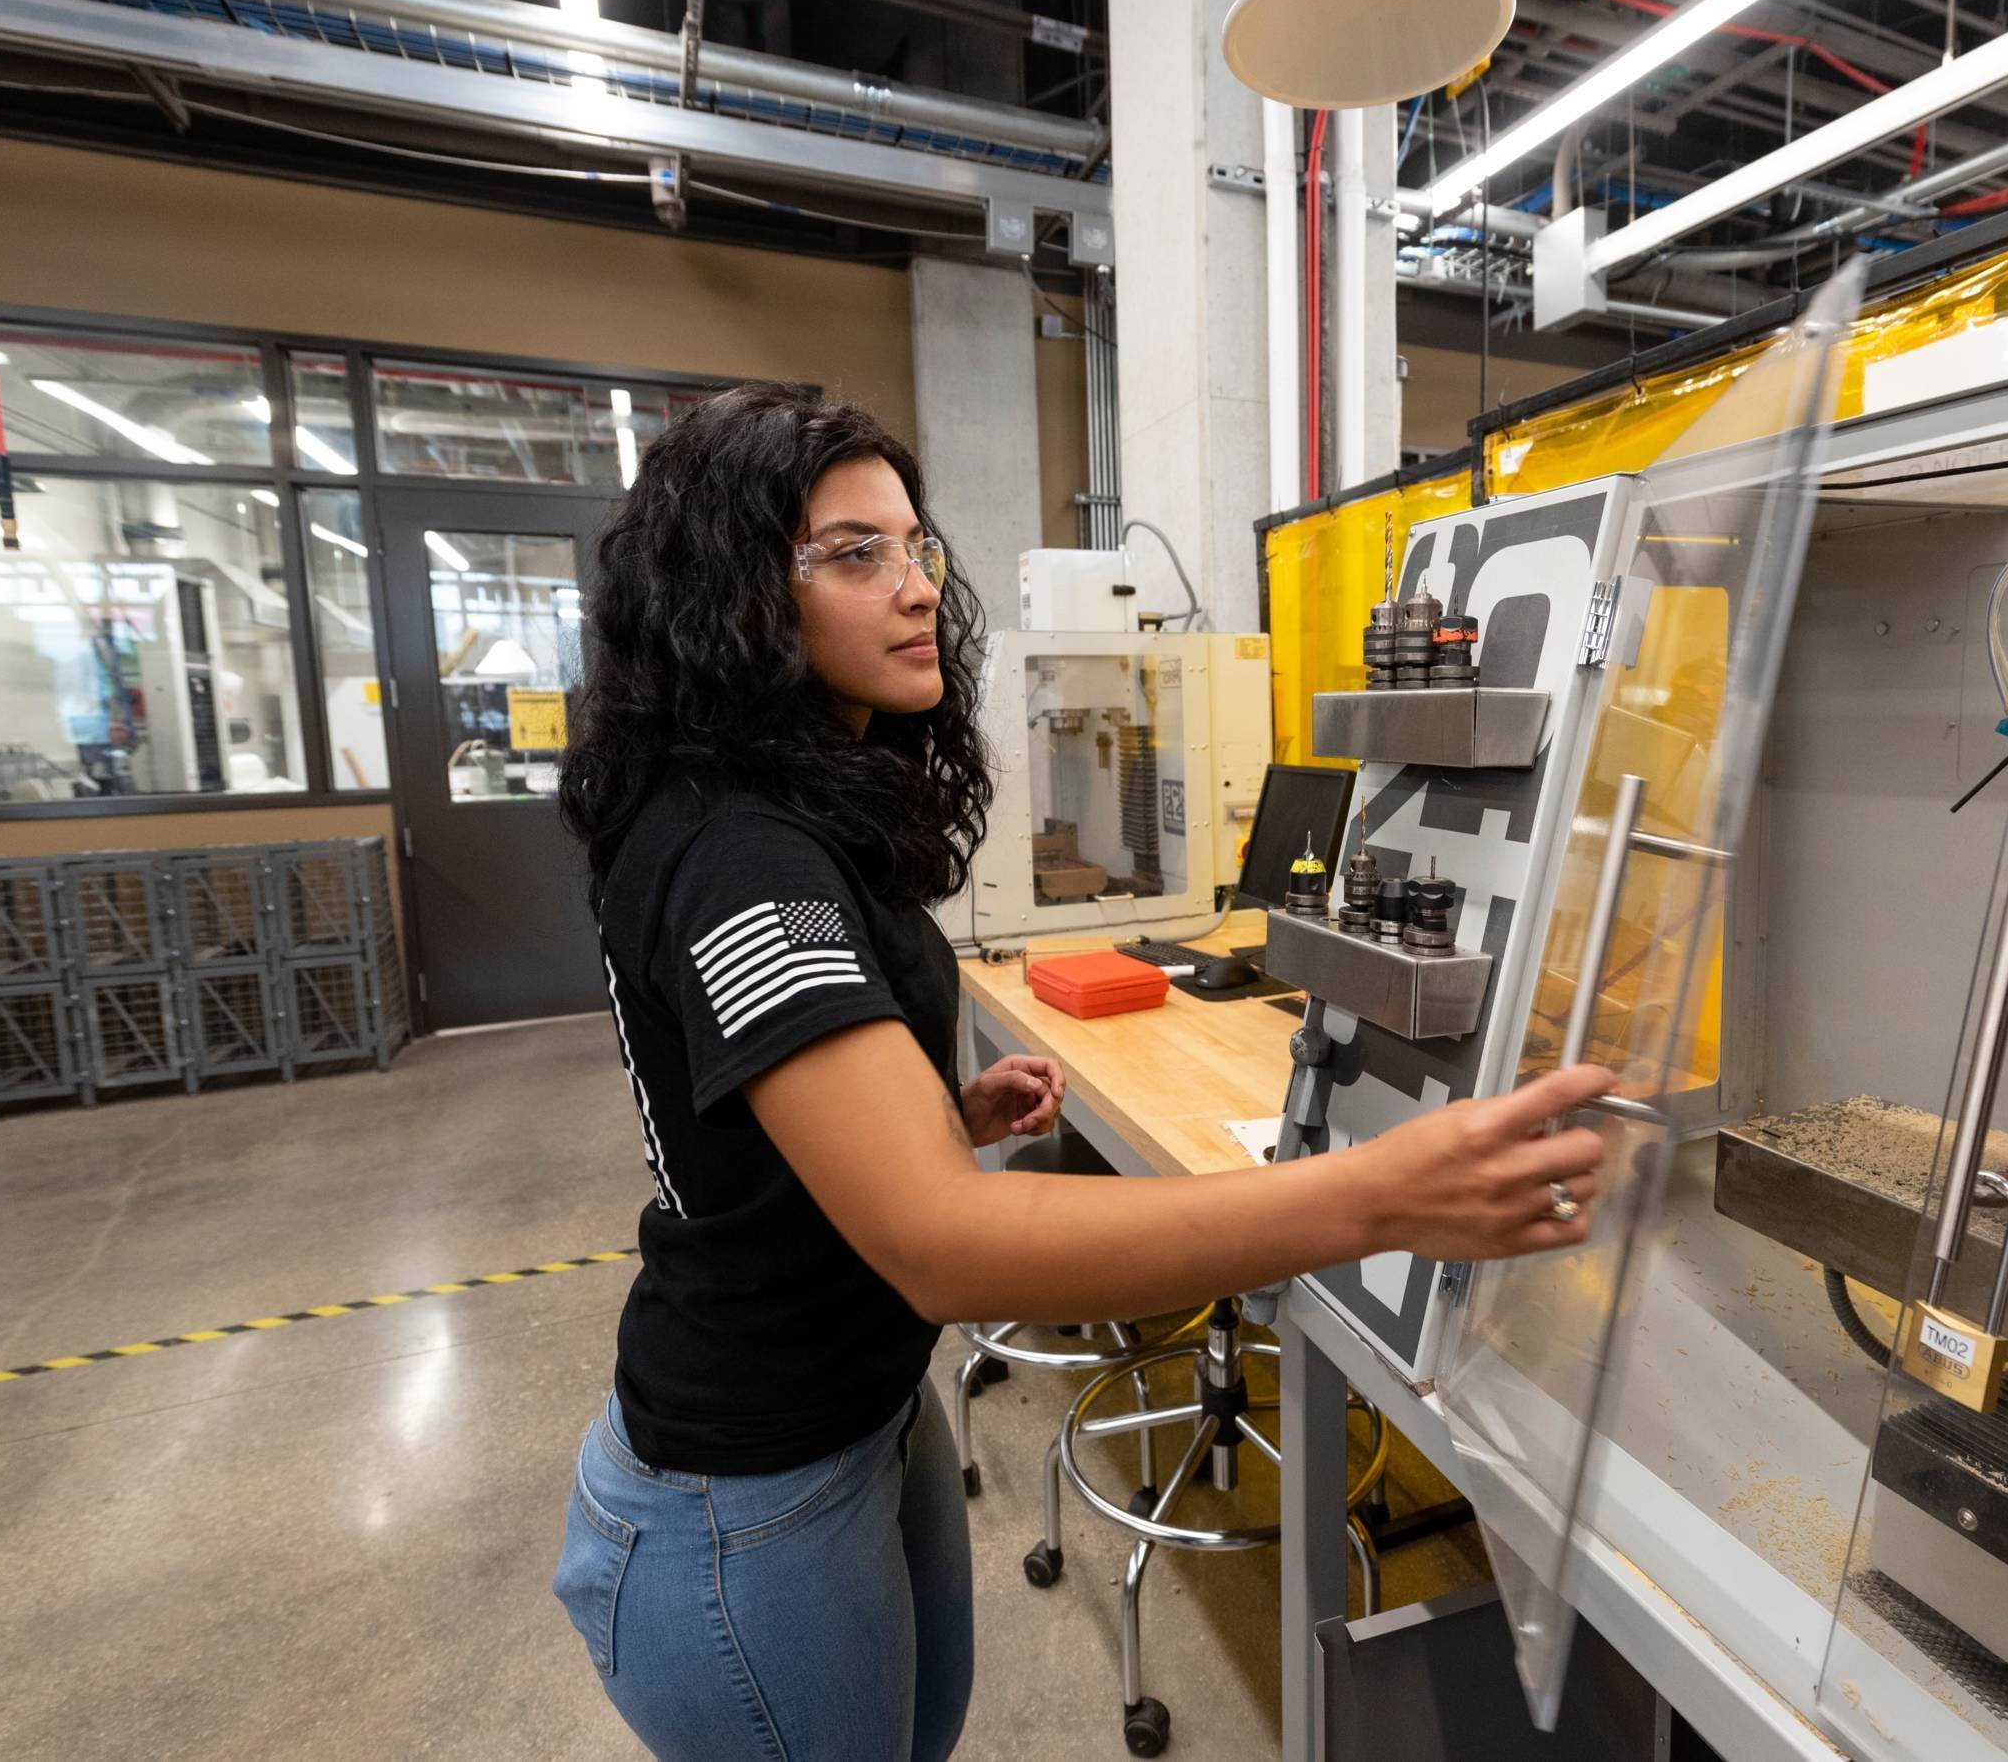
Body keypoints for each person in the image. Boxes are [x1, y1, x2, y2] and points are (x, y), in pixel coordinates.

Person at [550, 382, 1615, 1762]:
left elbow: (757, 1123)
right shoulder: (743, 855)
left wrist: (927, 1121)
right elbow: (943, 1248)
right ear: (731, 595)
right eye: (852, 554)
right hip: (742, 1491)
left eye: (914, 544)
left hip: (857, 1412)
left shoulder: (776, 817)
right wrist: (1379, 1196)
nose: (917, 585)